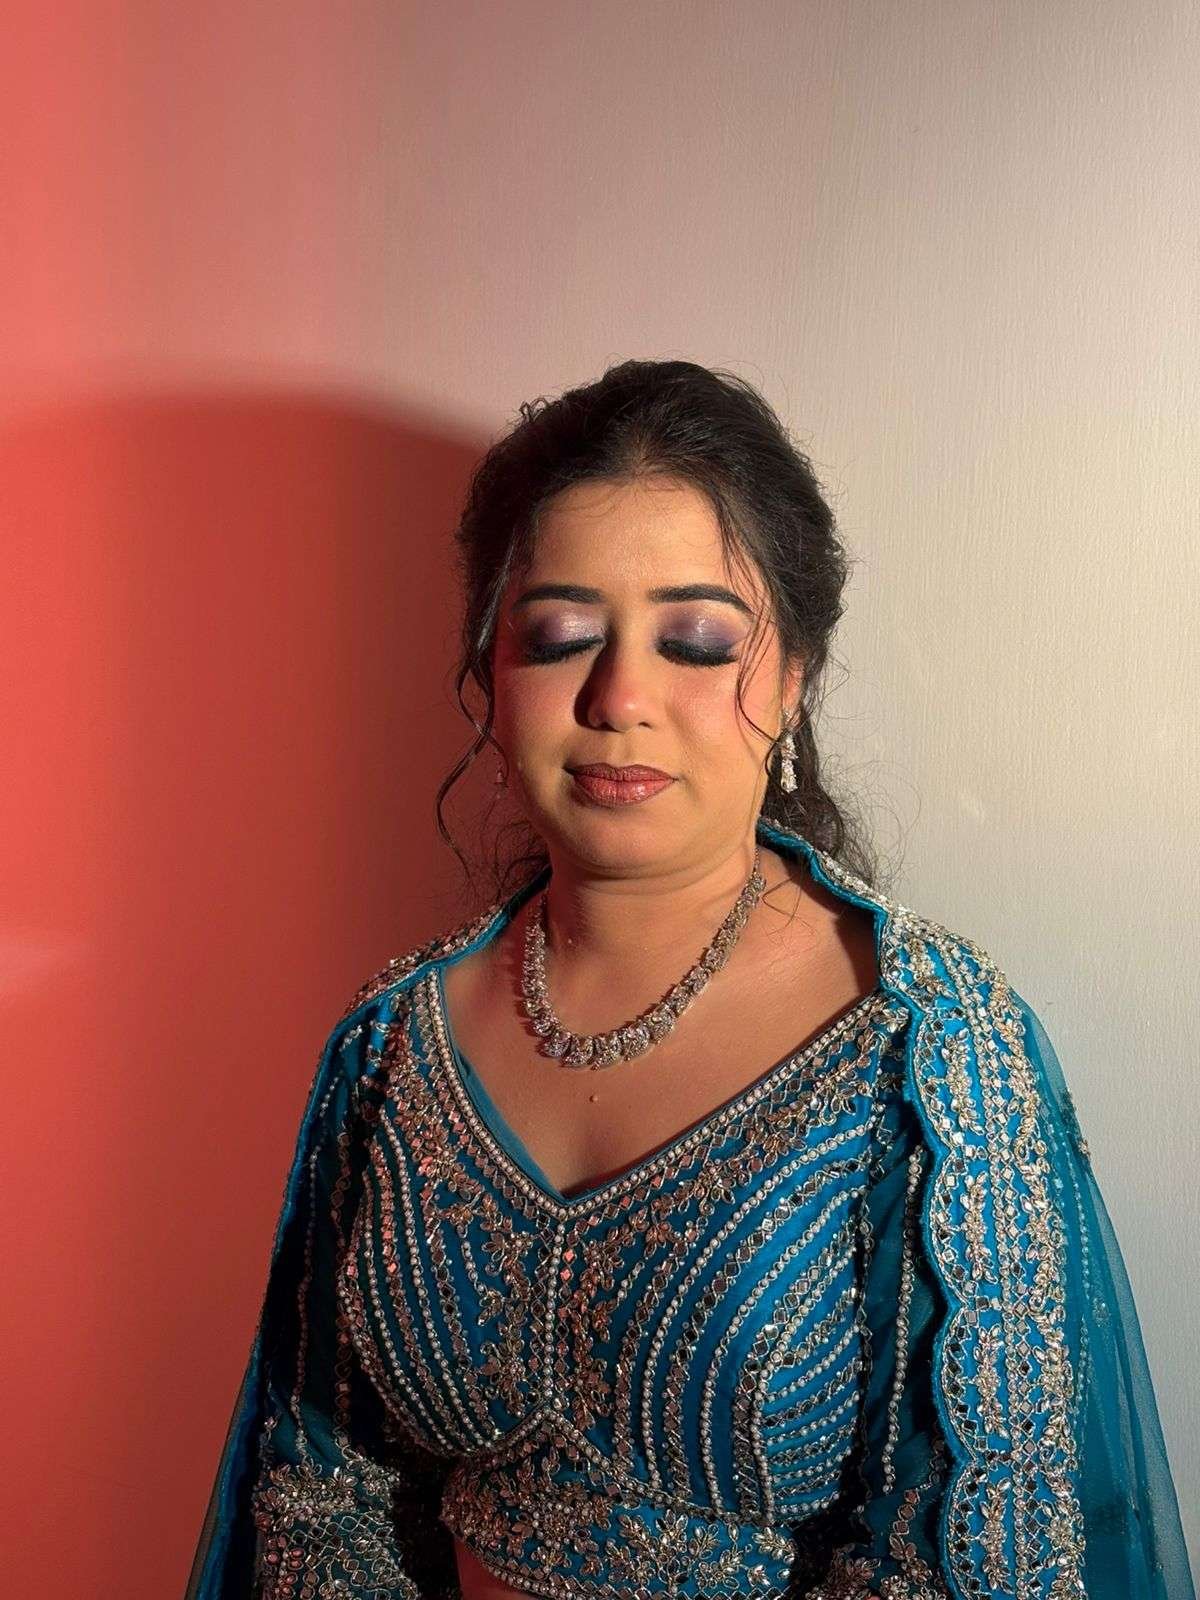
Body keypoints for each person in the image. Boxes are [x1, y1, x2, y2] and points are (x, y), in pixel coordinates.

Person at [184, 360, 1194, 1599]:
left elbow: (970, 1556)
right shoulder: (395, 1045)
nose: (621, 698)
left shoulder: (929, 1051)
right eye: (561, 637)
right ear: (490, 673)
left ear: (795, 676)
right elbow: (315, 1486)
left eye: (698, 641)